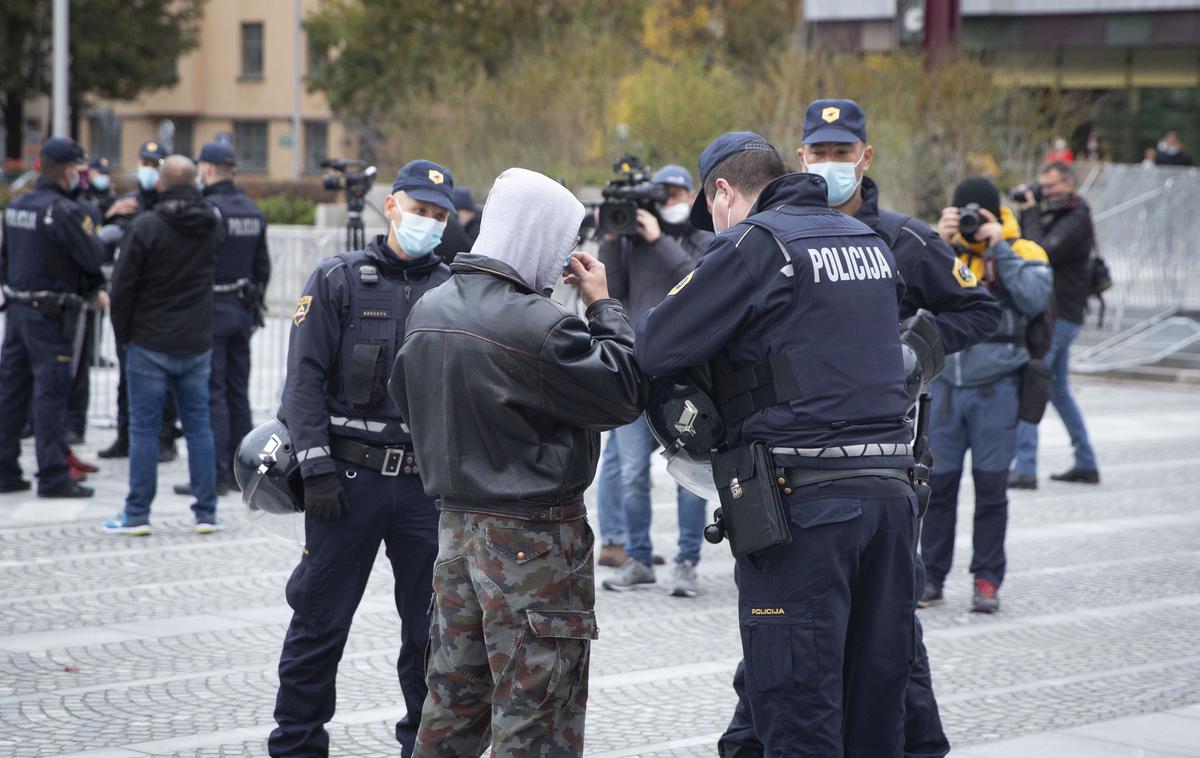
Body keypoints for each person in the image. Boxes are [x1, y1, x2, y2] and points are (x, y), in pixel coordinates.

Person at [717, 99, 1003, 758]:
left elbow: (977, 308)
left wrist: (912, 350)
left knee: (888, 658)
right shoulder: (776, 238)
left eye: (842, 153)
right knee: (788, 658)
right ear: (800, 157)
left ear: (864, 157)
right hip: (802, 480)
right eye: (818, 153)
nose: (829, 165)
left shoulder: (901, 239)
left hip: (883, 471)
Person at [638, 131, 919, 756]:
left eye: (713, 213)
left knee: (797, 709)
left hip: (805, 512)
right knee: (873, 708)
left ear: (723, 191)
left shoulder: (756, 243)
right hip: (891, 504)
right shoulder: (865, 240)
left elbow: (658, 344)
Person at [391, 167, 646, 757]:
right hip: (533, 538)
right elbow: (625, 391)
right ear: (538, 236)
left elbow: (408, 402)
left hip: (455, 532)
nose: (564, 263)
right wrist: (603, 306)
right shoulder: (539, 326)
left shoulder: (429, 308)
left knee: (451, 704)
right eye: (562, 245)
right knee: (537, 713)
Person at [268, 160, 455, 758]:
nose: (428, 221)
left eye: (439, 215)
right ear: (392, 204)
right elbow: (302, 383)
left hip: (426, 490)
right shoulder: (338, 278)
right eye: (420, 209)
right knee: (319, 626)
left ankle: (420, 747)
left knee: (432, 636)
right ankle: (296, 746)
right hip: (345, 485)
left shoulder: (456, 290)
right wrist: (317, 469)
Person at [921, 177, 1052, 613]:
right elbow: (906, 298)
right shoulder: (939, 248)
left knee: (992, 489)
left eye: (981, 215)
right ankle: (930, 578)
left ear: (996, 214)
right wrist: (935, 245)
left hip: (997, 388)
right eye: (965, 216)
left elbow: (1035, 300)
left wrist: (999, 249)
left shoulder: (1025, 249)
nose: (973, 224)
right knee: (937, 490)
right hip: (945, 387)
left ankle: (987, 580)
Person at [597, 164, 715, 597]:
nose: (666, 201)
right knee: (630, 473)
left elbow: (699, 280)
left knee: (691, 474)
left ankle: (686, 561)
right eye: (658, 194)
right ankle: (639, 559)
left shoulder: (701, 237)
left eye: (673, 193)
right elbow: (609, 284)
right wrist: (612, 237)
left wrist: (657, 239)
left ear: (689, 194)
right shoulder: (631, 241)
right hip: (636, 370)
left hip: (686, 377)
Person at [104, 155, 223, 535]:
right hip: (195, 341)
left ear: (160, 184)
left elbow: (122, 289)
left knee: (144, 431)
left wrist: (123, 337)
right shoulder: (211, 224)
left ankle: (137, 513)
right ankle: (207, 512)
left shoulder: (145, 227)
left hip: (149, 341)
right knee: (199, 427)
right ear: (195, 183)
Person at [0, 138, 107, 498]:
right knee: (51, 396)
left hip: (17, 311)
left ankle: (4, 469)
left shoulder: (17, 206)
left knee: (11, 393)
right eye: (79, 168)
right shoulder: (65, 211)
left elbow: (5, 260)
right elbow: (92, 256)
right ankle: (53, 474)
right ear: (66, 170)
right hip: (52, 315)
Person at [172, 142, 270, 496]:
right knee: (236, 392)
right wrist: (254, 309)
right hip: (241, 309)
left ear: (208, 170)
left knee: (211, 393)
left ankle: (213, 474)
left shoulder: (206, 210)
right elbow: (263, 268)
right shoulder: (252, 211)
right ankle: (241, 470)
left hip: (209, 309)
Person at [1010, 161, 1100, 488]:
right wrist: (1029, 212)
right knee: (1059, 391)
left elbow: (1039, 252)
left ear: (1069, 185)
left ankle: (1025, 467)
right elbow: (1023, 247)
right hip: (1056, 313)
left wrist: (1031, 212)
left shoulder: (1076, 217)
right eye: (1042, 186)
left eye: (1051, 187)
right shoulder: (1056, 215)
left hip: (1060, 315)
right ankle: (1086, 462)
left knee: (1033, 381)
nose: (1044, 192)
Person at [98, 140, 181, 463]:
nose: (148, 169)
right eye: (145, 161)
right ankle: (124, 434)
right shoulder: (128, 203)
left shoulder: (169, 204)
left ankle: (165, 439)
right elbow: (106, 243)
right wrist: (110, 215)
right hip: (131, 304)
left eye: (154, 163)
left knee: (165, 380)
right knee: (126, 377)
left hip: (160, 304)